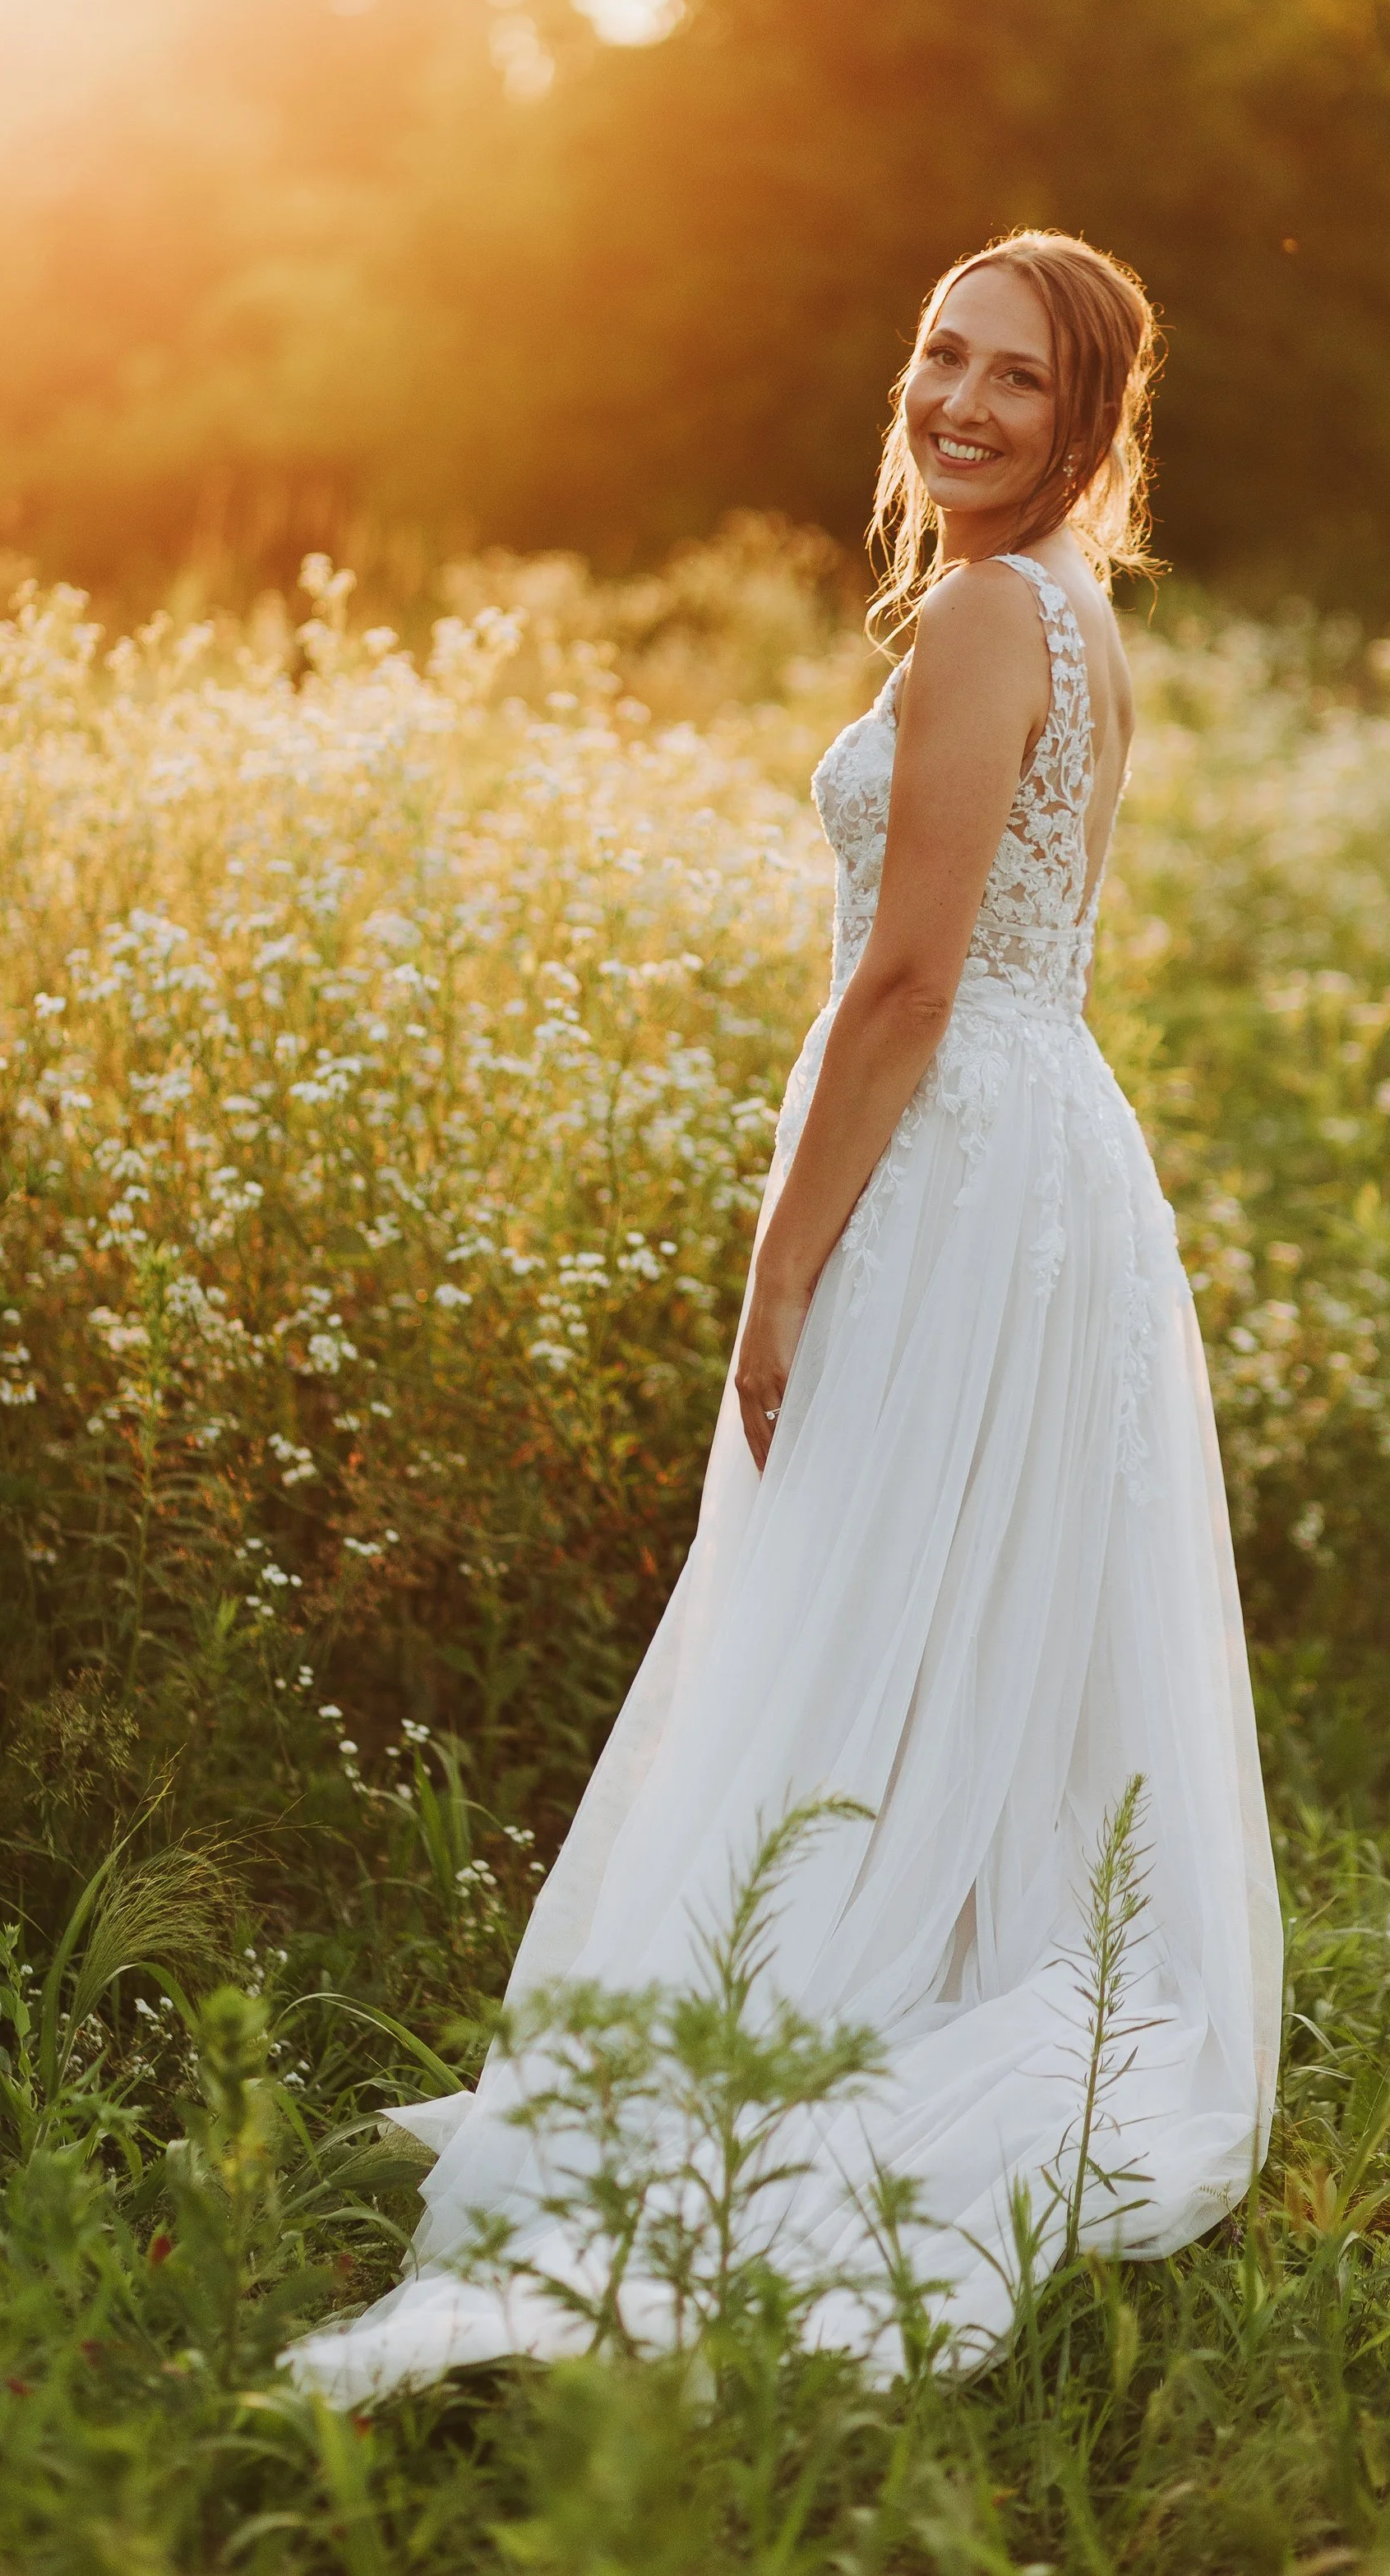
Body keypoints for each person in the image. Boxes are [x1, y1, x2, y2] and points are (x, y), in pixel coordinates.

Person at [287, 230, 1281, 2400]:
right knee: (950, 1606)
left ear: (1090, 417)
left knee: (844, 1582)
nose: (958, 398)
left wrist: (779, 1261)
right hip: (1048, 1153)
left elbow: (904, 981)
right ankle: (905, 1980)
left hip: (955, 1161)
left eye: (1014, 376)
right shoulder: (1067, 616)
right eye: (939, 352)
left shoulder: (982, 626)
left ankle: (799, 2049)